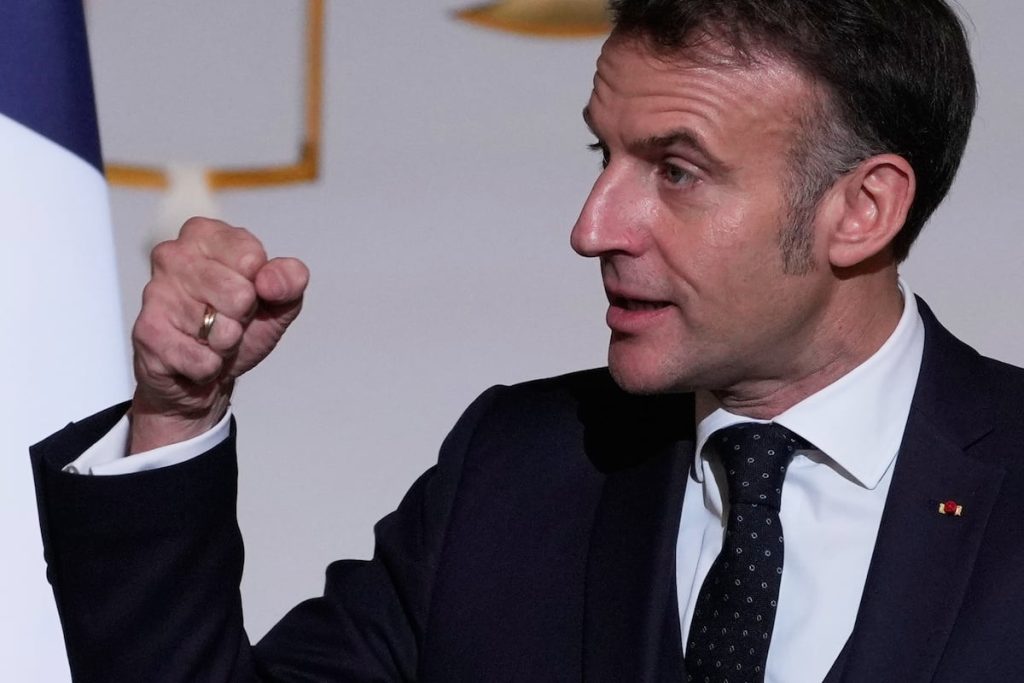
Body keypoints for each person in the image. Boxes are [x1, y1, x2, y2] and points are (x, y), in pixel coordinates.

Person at [30, 0, 1024, 681]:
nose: (593, 227)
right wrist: (178, 414)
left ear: (862, 209)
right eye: (604, 153)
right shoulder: (517, 470)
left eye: (676, 171)